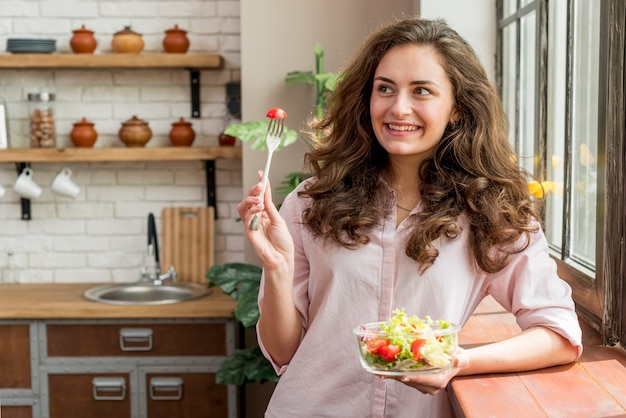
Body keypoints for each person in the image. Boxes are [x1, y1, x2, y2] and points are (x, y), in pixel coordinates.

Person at [237, 16, 582, 418]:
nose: (398, 108)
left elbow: (559, 334)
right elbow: (283, 352)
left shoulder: (488, 211)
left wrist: (459, 361)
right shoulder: (311, 201)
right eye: (385, 88)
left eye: (422, 91)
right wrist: (277, 268)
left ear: (457, 108)